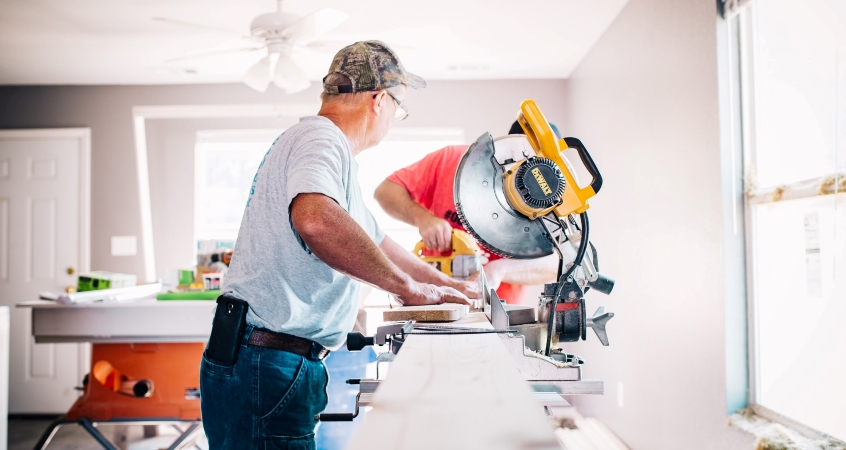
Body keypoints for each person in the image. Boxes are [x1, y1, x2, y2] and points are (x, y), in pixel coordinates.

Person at [199, 41, 479, 449]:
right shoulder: (321, 138)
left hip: (264, 358)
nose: (393, 119)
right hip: (268, 361)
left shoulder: (325, 150)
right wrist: (408, 289)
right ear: (379, 100)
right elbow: (315, 221)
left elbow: (377, 241)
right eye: (399, 109)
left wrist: (447, 287)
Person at [374, 121, 563, 304]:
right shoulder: (451, 160)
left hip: (500, 311)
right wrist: (422, 218)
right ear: (507, 144)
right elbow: (385, 191)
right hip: (434, 299)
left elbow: (559, 263)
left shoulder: (549, 201)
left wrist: (499, 270)